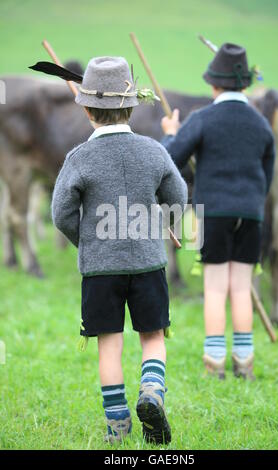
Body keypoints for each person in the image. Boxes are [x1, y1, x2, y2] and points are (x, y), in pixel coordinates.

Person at [51, 56, 187, 443]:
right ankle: (152, 392)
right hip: (148, 263)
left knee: (109, 345)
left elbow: (61, 214)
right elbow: (177, 195)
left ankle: (118, 426)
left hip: (100, 270)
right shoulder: (154, 151)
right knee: (153, 337)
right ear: (131, 105)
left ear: (89, 110)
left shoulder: (78, 158)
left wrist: (90, 242)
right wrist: (167, 222)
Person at [161, 43, 275, 380]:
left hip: (212, 215)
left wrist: (171, 134)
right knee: (240, 287)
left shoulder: (202, 119)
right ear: (246, 85)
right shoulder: (261, 123)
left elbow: (172, 160)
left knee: (214, 288)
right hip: (252, 214)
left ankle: (215, 365)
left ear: (213, 85)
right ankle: (244, 363)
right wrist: (254, 200)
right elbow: (268, 170)